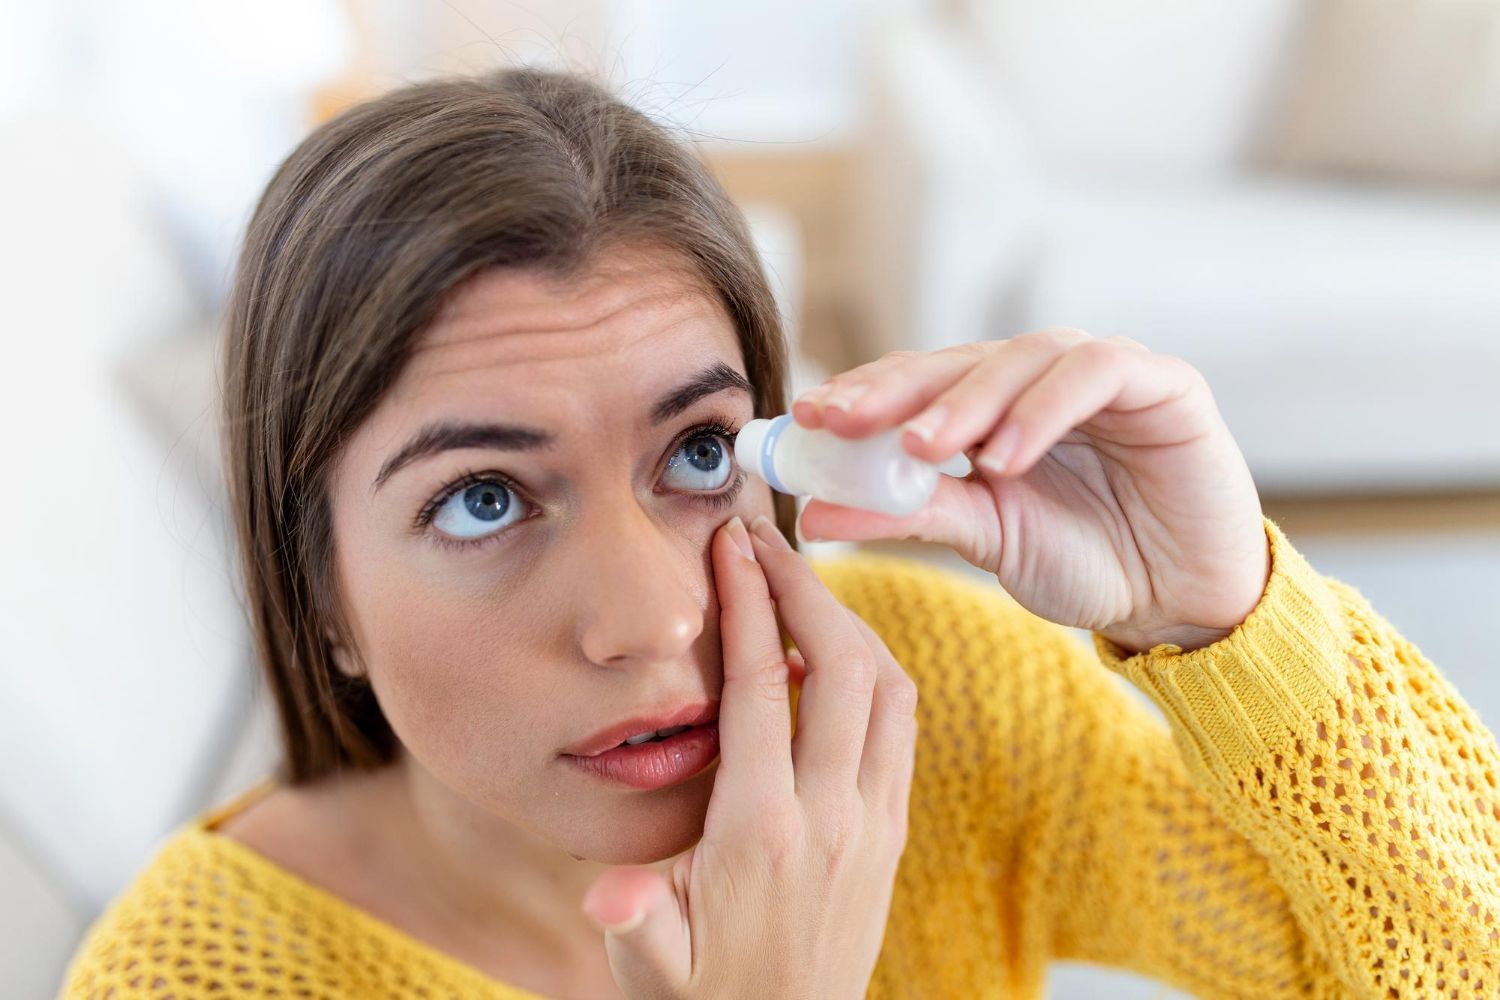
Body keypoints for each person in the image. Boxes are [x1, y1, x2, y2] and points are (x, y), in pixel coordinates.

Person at [60, 67, 1498, 1000]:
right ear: (320, 597)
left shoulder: (932, 705)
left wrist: (1226, 617)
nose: (656, 620)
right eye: (484, 499)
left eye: (697, 453)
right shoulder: (191, 978)